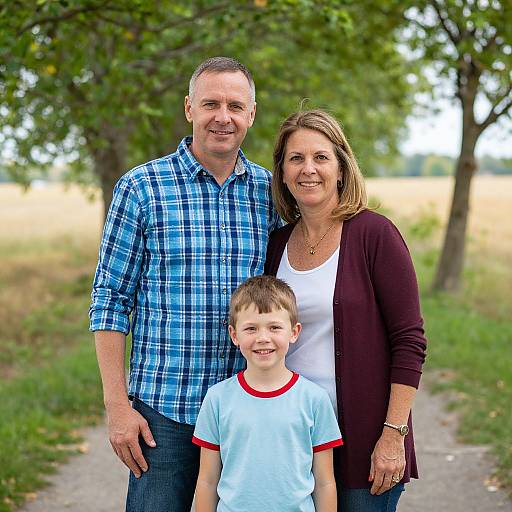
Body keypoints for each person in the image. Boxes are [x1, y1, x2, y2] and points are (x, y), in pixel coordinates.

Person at [89, 57, 280, 512]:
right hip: (164, 413)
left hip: (249, 408)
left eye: (235, 105)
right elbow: (110, 300)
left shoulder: (270, 193)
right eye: (210, 103)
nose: (223, 116)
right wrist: (118, 408)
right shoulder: (141, 187)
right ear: (188, 108)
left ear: (251, 115)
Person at [264, 110, 427, 512]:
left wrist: (393, 435)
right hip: (293, 441)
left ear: (340, 168)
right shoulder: (276, 244)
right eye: (296, 158)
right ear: (282, 172)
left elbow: (409, 341)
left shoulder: (375, 234)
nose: (308, 169)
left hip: (365, 443)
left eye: (321, 157)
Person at [193, 275, 342, 511]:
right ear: (234, 335)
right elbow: (207, 481)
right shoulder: (217, 399)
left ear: (294, 332)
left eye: (274, 327)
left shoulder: (314, 400)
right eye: (251, 328)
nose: (263, 338)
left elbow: (324, 482)